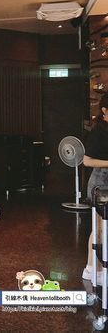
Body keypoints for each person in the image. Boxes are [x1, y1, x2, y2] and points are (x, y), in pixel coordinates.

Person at [83, 93, 108, 280]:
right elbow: (87, 161)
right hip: (100, 182)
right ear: (105, 110)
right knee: (99, 228)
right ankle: (93, 269)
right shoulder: (99, 131)